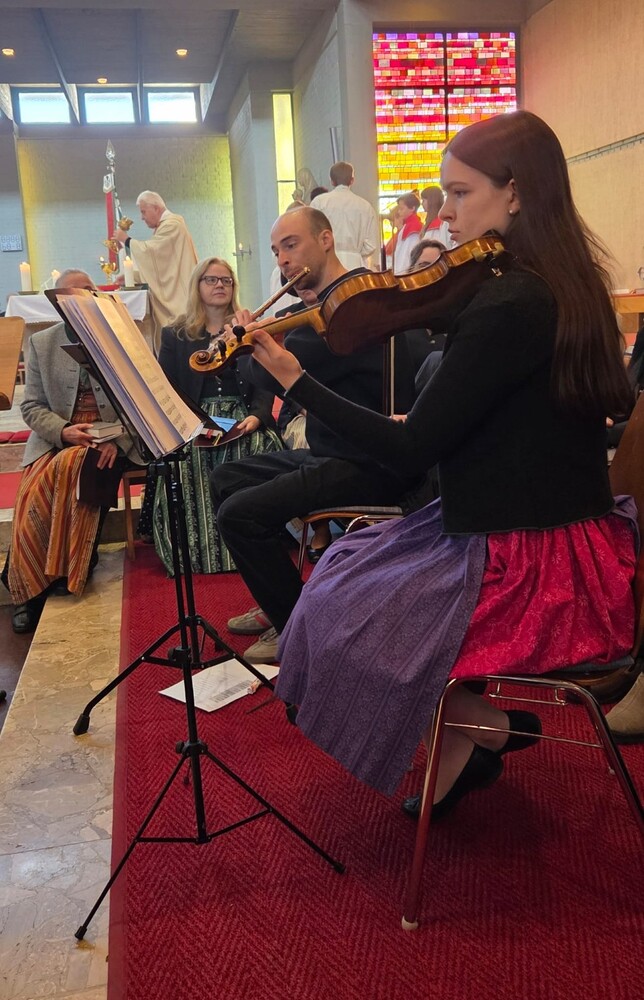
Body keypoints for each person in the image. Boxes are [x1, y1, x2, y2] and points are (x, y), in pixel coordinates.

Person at [246, 110, 637, 820]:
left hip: (531, 562)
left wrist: (296, 380)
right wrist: (434, 417)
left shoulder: (511, 300)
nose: (444, 213)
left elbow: (410, 452)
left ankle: (483, 728)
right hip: (553, 528)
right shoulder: (555, 279)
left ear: (515, 193)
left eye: (459, 193)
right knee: (348, 573)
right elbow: (520, 419)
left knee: (340, 608)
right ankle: (473, 736)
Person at [211, 206, 419, 663]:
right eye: (276, 251)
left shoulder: (354, 308)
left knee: (238, 516)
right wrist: (251, 340)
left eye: (291, 245)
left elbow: (270, 377)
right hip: (331, 452)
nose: (283, 260)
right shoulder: (314, 310)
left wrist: (245, 343)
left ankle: (300, 627)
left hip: (371, 462)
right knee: (226, 478)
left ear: (326, 239)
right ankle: (281, 597)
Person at [4, 269, 141, 634]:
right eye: (72, 295)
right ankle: (27, 587)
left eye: (89, 293)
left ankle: (71, 566)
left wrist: (115, 439)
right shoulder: (42, 343)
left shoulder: (120, 338)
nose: (82, 301)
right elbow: (31, 406)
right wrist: (64, 431)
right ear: (58, 303)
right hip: (57, 437)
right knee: (33, 493)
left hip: (110, 440)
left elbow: (139, 402)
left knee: (84, 462)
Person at [144, 257, 282, 575]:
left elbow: (265, 381)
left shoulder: (248, 329)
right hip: (195, 420)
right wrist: (192, 424)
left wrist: (258, 417)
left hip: (243, 416)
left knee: (254, 448)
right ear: (198, 286)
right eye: (211, 279)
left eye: (226, 280)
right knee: (191, 458)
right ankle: (199, 555)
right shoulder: (176, 334)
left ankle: (248, 550)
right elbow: (168, 388)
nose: (220, 285)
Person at [112, 190, 198, 351]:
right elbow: (162, 267)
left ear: (156, 208)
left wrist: (127, 240)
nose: (141, 217)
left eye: (143, 212)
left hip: (180, 301)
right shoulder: (166, 226)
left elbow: (151, 252)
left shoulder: (173, 224)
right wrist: (133, 277)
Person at [310, 162, 379, 270]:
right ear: (352, 180)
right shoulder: (365, 206)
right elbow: (371, 244)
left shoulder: (319, 202)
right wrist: (354, 253)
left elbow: (311, 234)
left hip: (327, 263)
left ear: (332, 181)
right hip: (355, 265)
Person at [391, 191, 423, 274]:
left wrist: (401, 273)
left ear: (412, 208)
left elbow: (408, 255)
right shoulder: (407, 226)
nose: (399, 212)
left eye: (401, 209)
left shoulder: (414, 227)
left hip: (405, 273)